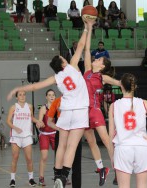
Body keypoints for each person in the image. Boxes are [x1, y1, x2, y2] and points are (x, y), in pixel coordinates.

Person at [7, 19, 92, 188]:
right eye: (62, 57)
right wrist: (86, 28)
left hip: (66, 111)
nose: (65, 57)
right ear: (62, 63)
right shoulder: (73, 66)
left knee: (61, 145)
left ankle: (57, 175)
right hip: (80, 110)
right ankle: (63, 177)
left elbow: (35, 86)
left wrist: (17, 87)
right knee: (72, 147)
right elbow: (81, 46)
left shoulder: (56, 77)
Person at [108, 73, 147, 188]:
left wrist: (112, 156)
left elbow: (110, 135)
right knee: (142, 185)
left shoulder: (114, 105)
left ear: (121, 86)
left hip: (123, 148)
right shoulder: (144, 103)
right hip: (142, 147)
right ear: (135, 87)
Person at [83, 19, 120, 186]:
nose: (95, 58)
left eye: (98, 59)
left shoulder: (102, 77)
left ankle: (118, 170)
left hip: (95, 110)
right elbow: (86, 48)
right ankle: (101, 169)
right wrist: (88, 28)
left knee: (105, 140)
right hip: (83, 111)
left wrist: (127, 85)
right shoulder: (87, 71)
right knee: (91, 141)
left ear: (102, 65)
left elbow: (120, 83)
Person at [6, 90, 43, 187]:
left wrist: (38, 121)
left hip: (26, 135)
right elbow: (8, 121)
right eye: (20, 95)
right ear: (17, 97)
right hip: (16, 136)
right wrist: (15, 128)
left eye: (24, 94)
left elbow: (31, 118)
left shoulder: (29, 106)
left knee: (29, 159)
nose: (22, 96)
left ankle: (31, 179)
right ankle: (12, 180)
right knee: (15, 158)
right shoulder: (13, 107)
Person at [47, 97, 82, 188]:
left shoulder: (79, 100)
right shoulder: (57, 101)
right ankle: (58, 183)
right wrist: (60, 129)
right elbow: (49, 122)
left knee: (76, 166)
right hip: (62, 133)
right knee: (59, 163)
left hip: (75, 133)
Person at [37, 89, 56, 186]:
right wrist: (40, 123)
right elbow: (39, 121)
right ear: (46, 97)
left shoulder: (58, 107)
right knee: (44, 157)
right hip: (44, 134)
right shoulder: (43, 109)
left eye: (53, 95)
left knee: (59, 156)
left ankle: (59, 176)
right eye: (49, 95)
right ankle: (41, 177)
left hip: (55, 133)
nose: (51, 96)